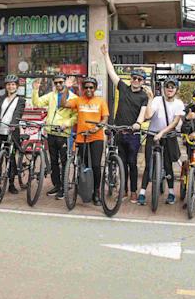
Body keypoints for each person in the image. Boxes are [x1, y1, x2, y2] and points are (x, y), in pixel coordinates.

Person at [101, 44, 150, 202]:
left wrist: (138, 123)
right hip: (119, 132)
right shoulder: (123, 88)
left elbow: (143, 113)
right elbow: (111, 72)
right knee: (121, 163)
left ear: (143, 82)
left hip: (133, 134)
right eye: (134, 78)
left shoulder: (143, 96)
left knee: (132, 163)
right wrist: (105, 55)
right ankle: (124, 190)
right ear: (131, 79)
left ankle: (134, 191)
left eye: (139, 79)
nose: (136, 81)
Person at [62, 76, 110, 205]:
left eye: (91, 87)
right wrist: (66, 88)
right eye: (86, 87)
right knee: (84, 165)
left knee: (95, 166)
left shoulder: (101, 101)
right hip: (82, 138)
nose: (88, 89)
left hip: (96, 138)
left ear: (95, 88)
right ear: (83, 88)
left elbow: (105, 118)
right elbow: (63, 104)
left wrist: (97, 128)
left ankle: (96, 192)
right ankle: (85, 189)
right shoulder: (78, 100)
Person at [138, 77, 185, 206]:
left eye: (173, 87)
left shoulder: (179, 103)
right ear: (164, 88)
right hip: (152, 135)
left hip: (168, 136)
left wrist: (162, 133)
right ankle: (142, 193)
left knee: (168, 164)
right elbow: (148, 116)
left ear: (176, 89)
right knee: (149, 164)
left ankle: (171, 192)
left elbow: (175, 122)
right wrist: (150, 99)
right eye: (167, 86)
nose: (170, 89)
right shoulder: (157, 100)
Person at [32, 74, 78, 200]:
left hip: (64, 134)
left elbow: (76, 115)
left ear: (65, 82)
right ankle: (57, 185)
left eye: (61, 82)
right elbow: (37, 103)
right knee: (53, 161)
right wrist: (35, 90)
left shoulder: (73, 97)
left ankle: (64, 186)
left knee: (64, 161)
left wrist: (67, 124)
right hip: (51, 132)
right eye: (56, 82)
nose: (58, 85)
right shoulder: (51, 95)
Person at [0, 74, 26, 195]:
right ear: (5, 86)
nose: (11, 86)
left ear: (17, 86)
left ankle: (11, 184)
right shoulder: (0, 98)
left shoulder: (21, 100)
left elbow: (18, 114)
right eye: (8, 84)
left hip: (12, 132)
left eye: (13, 84)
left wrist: (13, 124)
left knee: (11, 159)